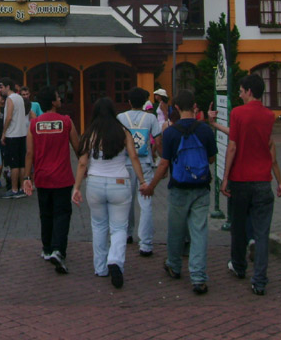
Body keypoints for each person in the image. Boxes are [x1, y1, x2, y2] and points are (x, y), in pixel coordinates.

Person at [144, 89, 217, 295]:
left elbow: (164, 164)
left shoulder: (171, 133)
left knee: (175, 230)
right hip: (201, 187)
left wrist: (151, 186)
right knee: (199, 231)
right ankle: (198, 277)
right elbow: (211, 159)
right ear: (194, 106)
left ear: (176, 107)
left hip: (178, 187)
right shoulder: (205, 130)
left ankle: (174, 266)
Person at [72, 97, 148, 289]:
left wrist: (76, 187)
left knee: (98, 226)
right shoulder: (123, 132)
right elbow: (134, 157)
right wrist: (142, 181)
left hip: (95, 183)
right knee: (119, 227)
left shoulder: (90, 133)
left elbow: (82, 162)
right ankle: (115, 260)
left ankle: (100, 267)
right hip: (120, 182)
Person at [220, 74, 281, 296]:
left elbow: (232, 146)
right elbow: (268, 144)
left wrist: (225, 177)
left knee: (238, 226)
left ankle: (239, 265)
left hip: (240, 178)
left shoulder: (238, 113)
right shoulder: (269, 116)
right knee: (262, 231)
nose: (239, 94)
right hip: (262, 179)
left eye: (241, 91)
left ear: (248, 91)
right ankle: (260, 279)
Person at [23, 86, 80, 274]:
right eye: (58, 96)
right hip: (62, 177)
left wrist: (27, 177)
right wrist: (84, 166)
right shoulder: (66, 122)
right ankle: (58, 249)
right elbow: (77, 147)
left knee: (46, 213)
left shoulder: (34, 124)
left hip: (42, 177)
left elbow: (29, 153)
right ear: (53, 102)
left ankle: (47, 248)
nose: (60, 99)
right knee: (62, 214)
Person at [118, 87, 162, 258]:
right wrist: (161, 158)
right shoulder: (151, 118)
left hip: (126, 163)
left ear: (129, 101)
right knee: (146, 203)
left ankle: (127, 233)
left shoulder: (121, 117)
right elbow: (158, 140)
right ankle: (146, 243)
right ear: (144, 102)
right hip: (145, 164)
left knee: (126, 201)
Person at [0, 77, 29, 199]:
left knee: (14, 164)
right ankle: (22, 188)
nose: (0, 90)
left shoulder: (10, 99)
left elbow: (9, 117)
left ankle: (14, 189)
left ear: (8, 87)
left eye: (1, 87)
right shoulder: (20, 98)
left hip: (12, 134)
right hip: (22, 133)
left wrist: (4, 132)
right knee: (21, 163)